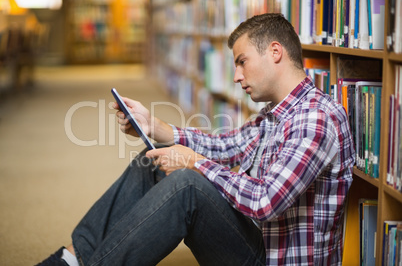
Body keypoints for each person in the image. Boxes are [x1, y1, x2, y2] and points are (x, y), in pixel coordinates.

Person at [37, 13, 355, 266]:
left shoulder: (315, 119)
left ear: (275, 52)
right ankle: (72, 259)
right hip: (256, 238)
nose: (236, 76)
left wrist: (195, 163)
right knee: (156, 160)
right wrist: (154, 127)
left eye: (241, 61)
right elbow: (226, 146)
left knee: (187, 184)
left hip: (273, 258)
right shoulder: (274, 114)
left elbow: (265, 202)